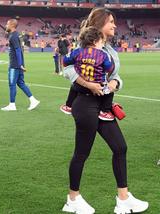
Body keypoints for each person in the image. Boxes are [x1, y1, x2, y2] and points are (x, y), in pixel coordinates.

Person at [62, 8, 148, 214]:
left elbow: (116, 75)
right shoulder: (84, 46)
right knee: (82, 153)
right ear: (100, 24)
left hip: (103, 107)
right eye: (111, 22)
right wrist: (89, 84)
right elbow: (67, 69)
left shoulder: (110, 50)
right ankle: (72, 199)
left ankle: (123, 199)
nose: (115, 25)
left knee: (120, 148)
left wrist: (115, 83)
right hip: (85, 104)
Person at [61, 27, 116, 121]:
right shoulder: (103, 54)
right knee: (109, 91)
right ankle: (105, 111)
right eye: (101, 42)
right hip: (99, 86)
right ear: (95, 41)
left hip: (81, 86)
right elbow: (108, 68)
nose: (102, 44)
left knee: (73, 85)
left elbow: (65, 60)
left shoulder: (78, 51)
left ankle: (68, 106)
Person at [1, 19, 40, 111]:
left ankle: (12, 105)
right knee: (20, 83)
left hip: (15, 64)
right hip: (18, 63)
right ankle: (33, 100)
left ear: (12, 25)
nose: (6, 26)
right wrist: (21, 63)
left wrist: (19, 64)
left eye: (7, 24)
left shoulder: (13, 36)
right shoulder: (15, 35)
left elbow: (18, 50)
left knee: (12, 84)